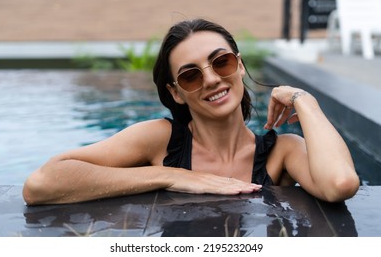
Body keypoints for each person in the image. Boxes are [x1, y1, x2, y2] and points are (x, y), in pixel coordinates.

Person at [23, 18, 360, 205]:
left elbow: (340, 183)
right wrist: (173, 175)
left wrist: (304, 98)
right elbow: (42, 183)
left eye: (221, 61)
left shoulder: (281, 152)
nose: (212, 79)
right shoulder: (159, 140)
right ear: (176, 93)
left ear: (239, 66)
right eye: (190, 75)